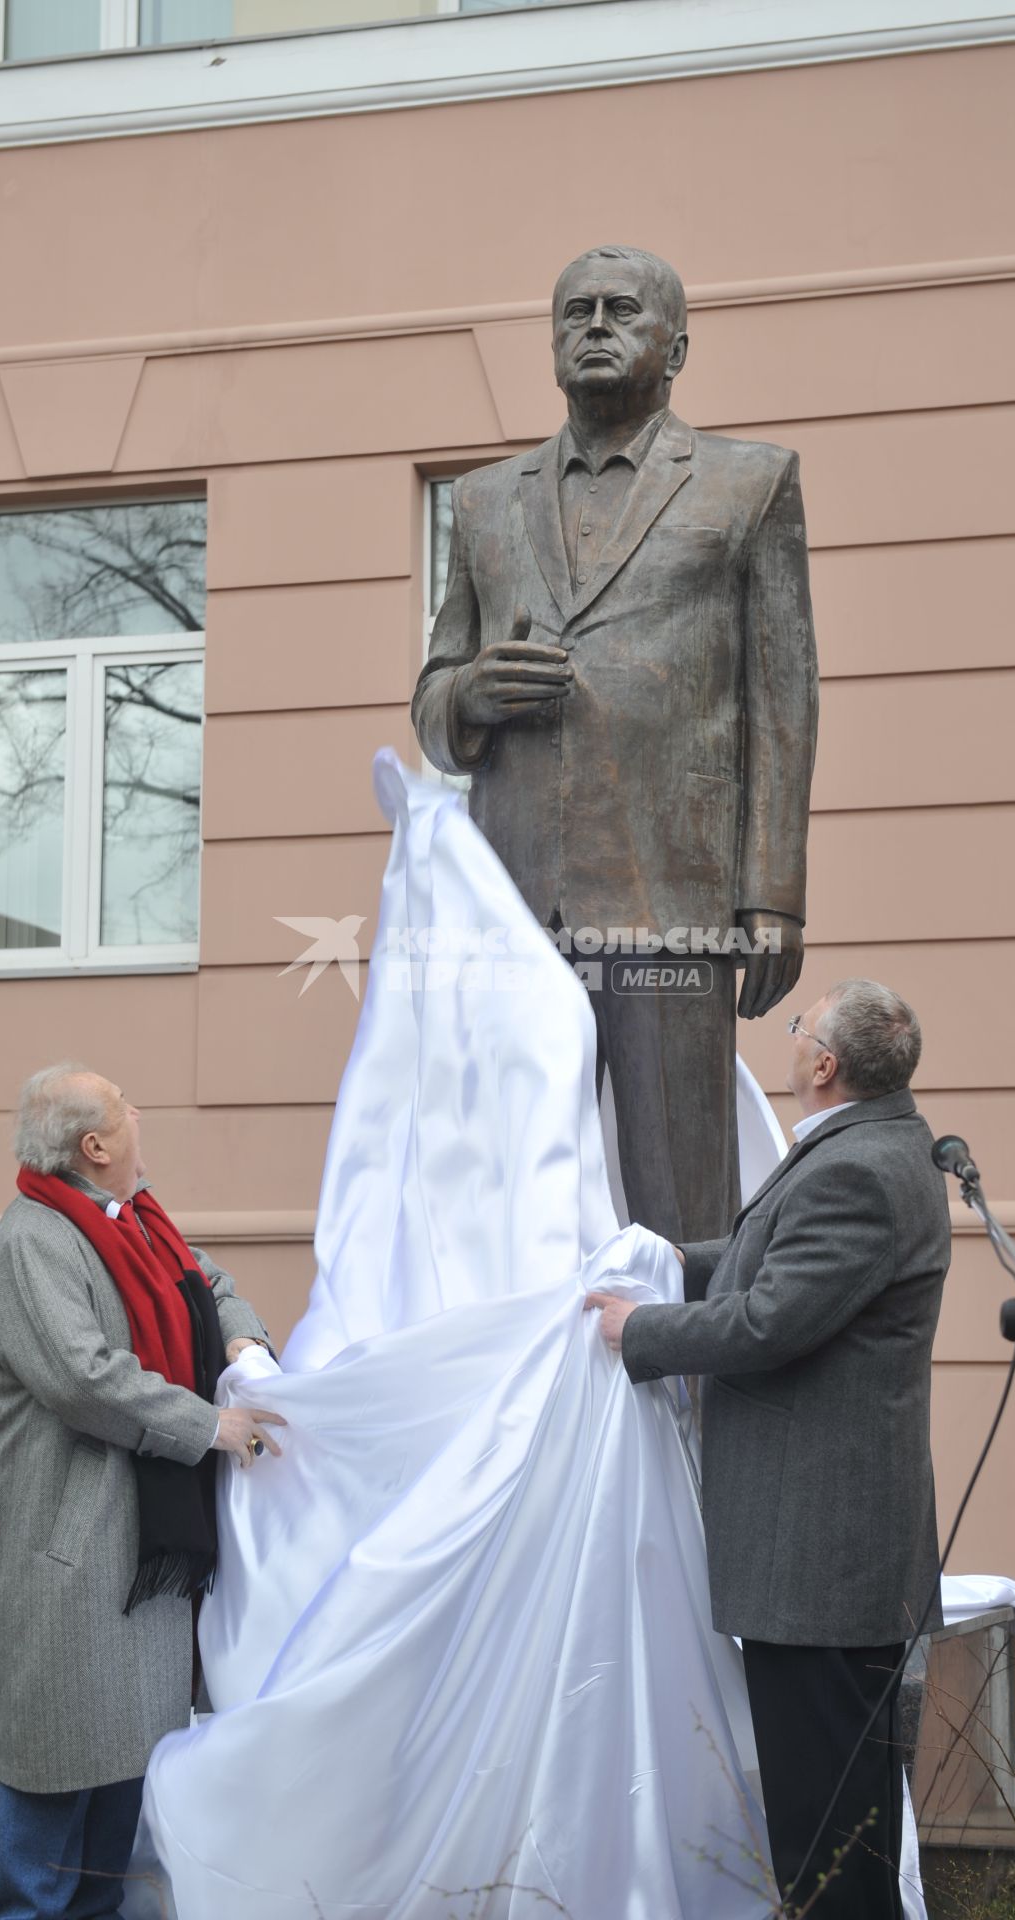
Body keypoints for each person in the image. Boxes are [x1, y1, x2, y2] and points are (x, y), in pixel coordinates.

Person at [413, 243, 818, 1244]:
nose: (593, 326)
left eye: (621, 310)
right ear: (552, 348)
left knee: (680, 1195)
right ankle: (530, 1397)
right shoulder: (482, 501)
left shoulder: (747, 485)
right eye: (573, 312)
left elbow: (782, 698)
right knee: (510, 1197)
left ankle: (692, 1398)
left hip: (670, 902)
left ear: (673, 345)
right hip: (517, 905)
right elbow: (430, 698)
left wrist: (769, 895)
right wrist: (470, 692)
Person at [587, 979, 952, 1918]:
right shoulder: (870, 1147)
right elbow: (767, 1255)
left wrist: (642, 1331)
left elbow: (771, 1323)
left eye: (798, 1028)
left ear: (824, 1065)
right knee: (838, 1817)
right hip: (829, 1558)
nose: (789, 1040)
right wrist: (668, 1259)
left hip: (818, 1562)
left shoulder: (856, 1170)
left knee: (824, 1831)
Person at [0, 1064, 286, 1920]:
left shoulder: (135, 1222)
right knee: (41, 1875)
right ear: (95, 1145)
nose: (139, 1113)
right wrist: (209, 1426)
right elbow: (84, 1379)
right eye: (123, 1107)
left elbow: (208, 1285)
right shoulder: (33, 1241)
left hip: (137, 1576)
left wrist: (245, 1338)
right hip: (67, 1580)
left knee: (109, 1875)